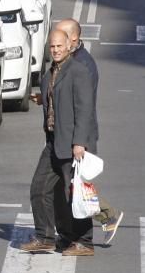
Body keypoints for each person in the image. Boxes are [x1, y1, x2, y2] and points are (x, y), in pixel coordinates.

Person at [21, 29, 98, 257]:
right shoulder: (53, 70)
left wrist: (79, 143)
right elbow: (55, 97)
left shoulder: (78, 71)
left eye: (59, 46)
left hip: (72, 144)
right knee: (39, 188)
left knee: (73, 194)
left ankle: (84, 241)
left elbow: (85, 111)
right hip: (54, 142)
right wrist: (41, 98)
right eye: (52, 47)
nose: (55, 50)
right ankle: (45, 237)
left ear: (68, 46)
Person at [56, 19, 123, 244]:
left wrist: (79, 142)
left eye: (62, 37)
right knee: (66, 186)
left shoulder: (82, 65)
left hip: (79, 136)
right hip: (69, 135)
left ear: (73, 39)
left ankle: (105, 216)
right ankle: (67, 232)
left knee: (75, 188)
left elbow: (83, 106)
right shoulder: (71, 60)